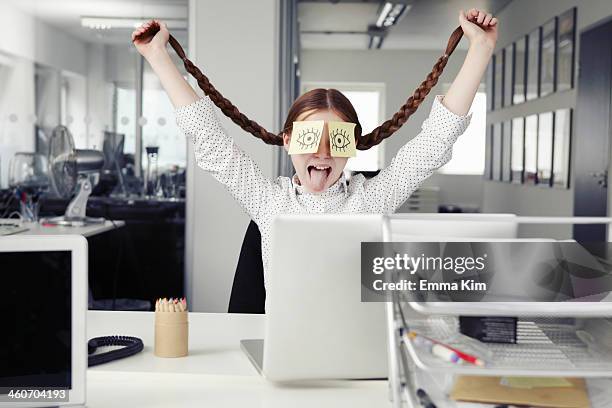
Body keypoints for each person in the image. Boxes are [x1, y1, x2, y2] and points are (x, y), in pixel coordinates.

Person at [132, 9, 498, 285]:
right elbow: (209, 140)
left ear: (351, 146)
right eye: (309, 139)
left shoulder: (370, 200)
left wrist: (479, 48)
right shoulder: (268, 200)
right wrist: (158, 56)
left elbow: (434, 142)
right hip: (285, 352)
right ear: (288, 141)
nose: (322, 153)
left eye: (336, 141)